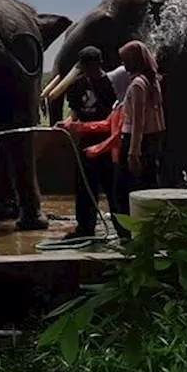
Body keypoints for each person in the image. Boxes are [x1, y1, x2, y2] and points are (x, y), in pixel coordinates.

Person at [53, 47, 119, 239]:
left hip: (107, 141)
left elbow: (113, 118)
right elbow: (75, 110)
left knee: (111, 187)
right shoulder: (78, 84)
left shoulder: (111, 83)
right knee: (84, 186)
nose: (85, 71)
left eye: (88, 67)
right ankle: (85, 227)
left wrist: (82, 127)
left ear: (98, 64)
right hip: (85, 141)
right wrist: (68, 122)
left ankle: (122, 228)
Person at [112, 40, 167, 239]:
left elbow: (138, 122)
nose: (123, 64)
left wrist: (134, 152)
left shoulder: (137, 85)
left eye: (126, 60)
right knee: (148, 187)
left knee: (122, 190)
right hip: (153, 141)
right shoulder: (153, 81)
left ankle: (127, 233)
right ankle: (149, 231)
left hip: (136, 142)